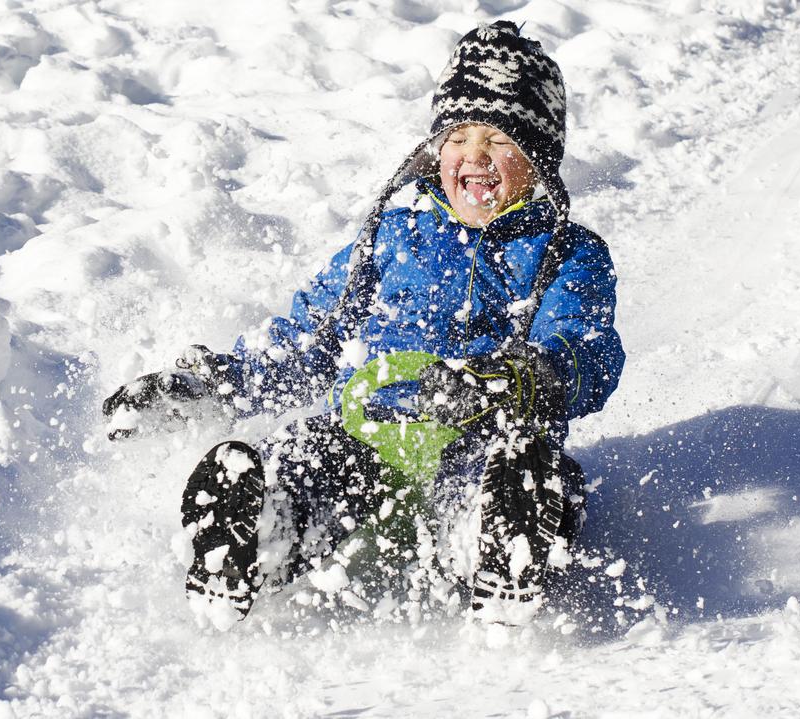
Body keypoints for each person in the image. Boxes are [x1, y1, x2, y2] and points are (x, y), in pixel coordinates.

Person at [102, 21, 624, 626]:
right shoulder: (392, 237)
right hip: (365, 433)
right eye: (457, 137)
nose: (474, 156)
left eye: (498, 138)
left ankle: (498, 541)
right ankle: (258, 530)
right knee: (303, 453)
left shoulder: (567, 253)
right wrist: (213, 382)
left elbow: (590, 346)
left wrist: (532, 374)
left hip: (478, 436)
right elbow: (309, 341)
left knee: (529, 469)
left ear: (537, 157)